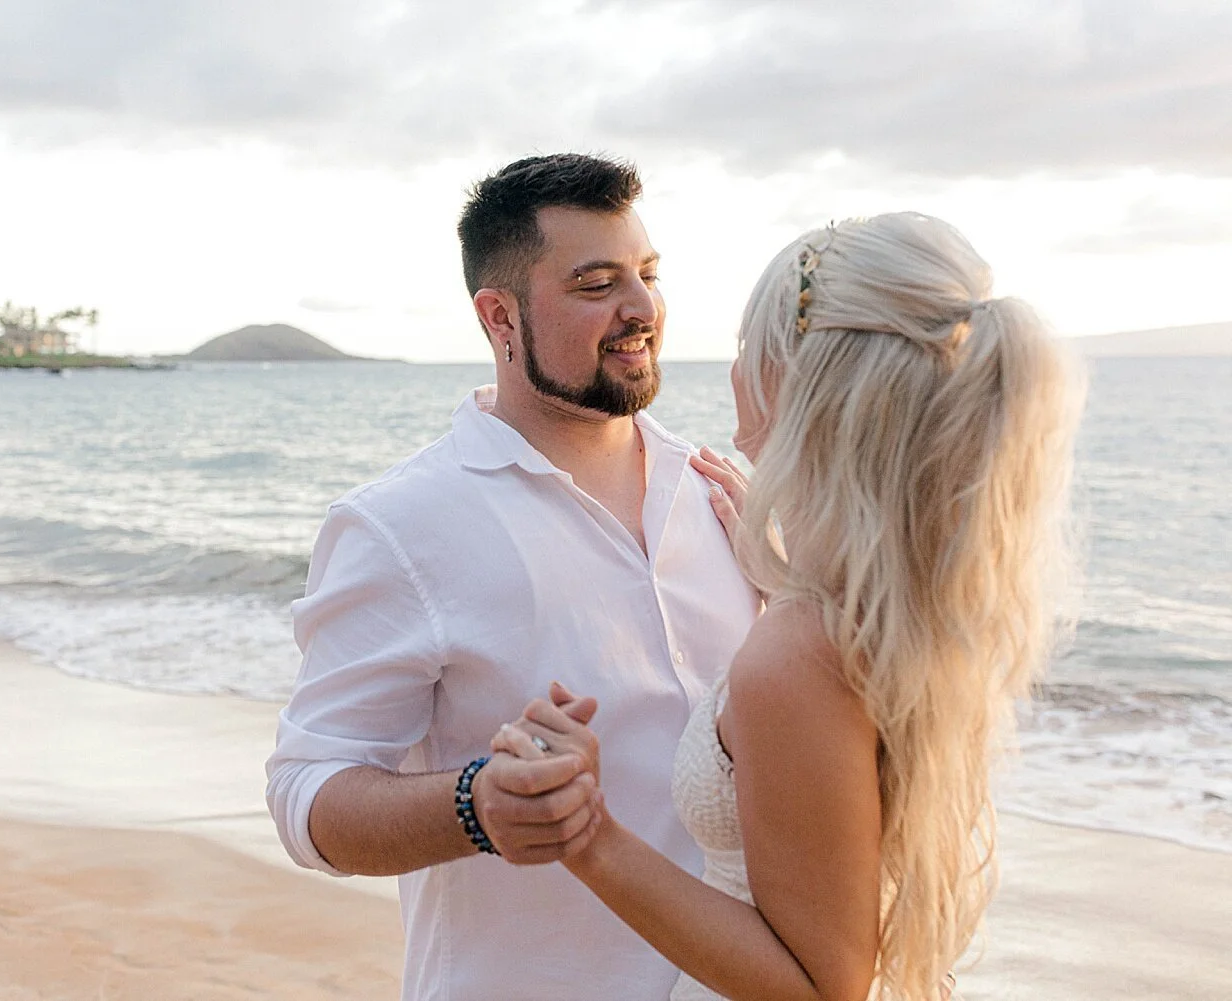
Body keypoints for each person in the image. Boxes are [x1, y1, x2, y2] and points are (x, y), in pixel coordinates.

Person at [492, 212, 1083, 1001]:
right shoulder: (893, 604)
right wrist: (785, 577)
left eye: (745, 349)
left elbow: (820, 984)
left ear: (796, 382)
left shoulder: (803, 650)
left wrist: (589, 835)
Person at [265, 153, 761, 1000]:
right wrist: (476, 804)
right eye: (596, 284)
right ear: (500, 316)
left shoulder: (726, 498)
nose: (641, 309)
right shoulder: (401, 524)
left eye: (646, 275)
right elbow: (306, 796)